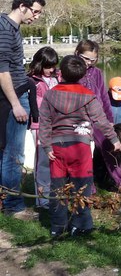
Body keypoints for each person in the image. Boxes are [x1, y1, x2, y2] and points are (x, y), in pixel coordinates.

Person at [38, 55, 121, 237]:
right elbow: (101, 120)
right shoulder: (88, 96)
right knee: (82, 187)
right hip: (80, 148)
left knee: (58, 188)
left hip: (57, 148)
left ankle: (57, 227)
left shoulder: (50, 94)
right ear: (82, 75)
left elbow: (44, 123)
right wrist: (114, 138)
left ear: (60, 73)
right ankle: (81, 225)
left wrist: (46, 146)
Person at [0, 0, 45, 220]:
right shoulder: (5, 30)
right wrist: (17, 104)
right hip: (12, 99)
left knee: (6, 151)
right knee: (14, 154)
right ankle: (14, 206)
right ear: (22, 6)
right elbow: (2, 70)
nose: (36, 17)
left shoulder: (11, 28)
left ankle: (6, 199)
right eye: (35, 12)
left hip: (14, 95)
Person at [75, 40, 121, 191]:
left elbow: (104, 98)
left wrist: (110, 120)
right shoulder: (71, 71)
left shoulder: (97, 73)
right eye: (86, 59)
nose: (89, 63)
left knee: (110, 147)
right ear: (77, 54)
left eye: (93, 60)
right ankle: (88, 188)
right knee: (83, 153)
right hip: (80, 120)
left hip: (99, 117)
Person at [28, 46, 60, 210]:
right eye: (48, 66)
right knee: (42, 161)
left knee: (55, 159)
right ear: (39, 64)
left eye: (53, 66)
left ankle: (55, 194)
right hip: (40, 125)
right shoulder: (33, 81)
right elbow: (38, 104)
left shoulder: (57, 78)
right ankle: (42, 200)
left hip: (57, 125)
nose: (51, 70)